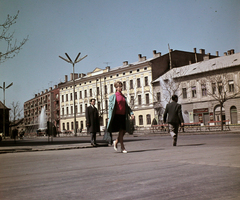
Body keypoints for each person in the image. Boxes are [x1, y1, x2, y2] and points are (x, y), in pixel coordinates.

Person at [107, 81, 134, 153]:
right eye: (119, 86)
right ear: (116, 88)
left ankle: (116, 141)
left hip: (123, 116)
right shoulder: (113, 96)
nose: (120, 88)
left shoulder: (123, 97)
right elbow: (110, 108)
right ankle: (122, 147)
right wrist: (109, 117)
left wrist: (131, 113)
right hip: (116, 116)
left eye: (121, 86)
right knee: (121, 131)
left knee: (124, 131)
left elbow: (127, 107)